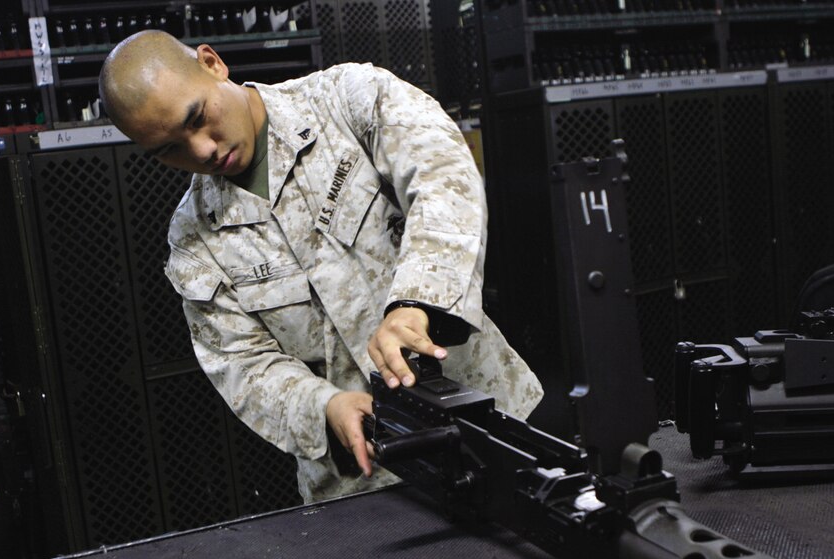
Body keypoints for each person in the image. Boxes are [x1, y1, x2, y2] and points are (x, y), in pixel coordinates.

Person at [99, 30, 543, 503]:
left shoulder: (347, 99)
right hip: (364, 485)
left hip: (488, 427)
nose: (201, 150)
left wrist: (415, 303)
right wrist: (324, 406)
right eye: (169, 149)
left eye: (198, 117)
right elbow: (243, 365)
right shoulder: (194, 240)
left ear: (212, 64)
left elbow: (442, 177)